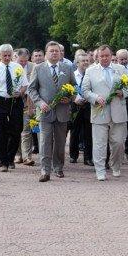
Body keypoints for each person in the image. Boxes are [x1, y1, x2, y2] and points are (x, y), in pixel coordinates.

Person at [82, 45, 128, 181]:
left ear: (111, 56)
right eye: (102, 56)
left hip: (118, 112)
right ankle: (100, 170)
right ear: (97, 57)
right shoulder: (90, 71)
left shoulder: (121, 69)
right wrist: (95, 98)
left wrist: (122, 92)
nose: (104, 58)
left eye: (107, 55)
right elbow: (85, 91)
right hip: (99, 111)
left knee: (118, 143)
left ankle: (115, 166)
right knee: (99, 143)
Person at [28, 41, 76, 182]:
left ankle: (58, 167)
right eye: (51, 51)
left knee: (60, 142)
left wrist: (70, 98)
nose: (54, 53)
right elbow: (31, 89)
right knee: (45, 141)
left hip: (62, 111)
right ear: (46, 53)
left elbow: (75, 87)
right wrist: (40, 103)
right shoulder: (38, 68)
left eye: (57, 51)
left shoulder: (67, 68)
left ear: (61, 53)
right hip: (45, 111)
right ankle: (45, 170)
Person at [0, 44, 29, 171]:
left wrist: (20, 92)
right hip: (0, 102)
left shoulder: (18, 67)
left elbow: (25, 85)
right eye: (5, 55)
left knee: (16, 130)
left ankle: (11, 157)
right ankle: (3, 160)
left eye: (9, 55)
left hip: (15, 102)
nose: (7, 57)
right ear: (0, 55)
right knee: (0, 132)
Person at [70, 54, 94, 164]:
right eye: (82, 61)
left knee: (88, 132)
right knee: (75, 131)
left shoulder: (91, 75)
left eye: (87, 60)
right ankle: (73, 155)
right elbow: (68, 89)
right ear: (77, 63)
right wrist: (75, 99)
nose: (85, 62)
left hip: (89, 105)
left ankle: (88, 158)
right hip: (76, 106)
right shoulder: (72, 75)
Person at [15, 48, 36, 164]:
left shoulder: (33, 67)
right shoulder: (13, 67)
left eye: (25, 61)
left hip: (29, 102)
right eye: (21, 61)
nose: (23, 63)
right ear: (17, 58)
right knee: (16, 129)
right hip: (15, 102)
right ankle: (18, 155)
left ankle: (27, 156)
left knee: (26, 129)